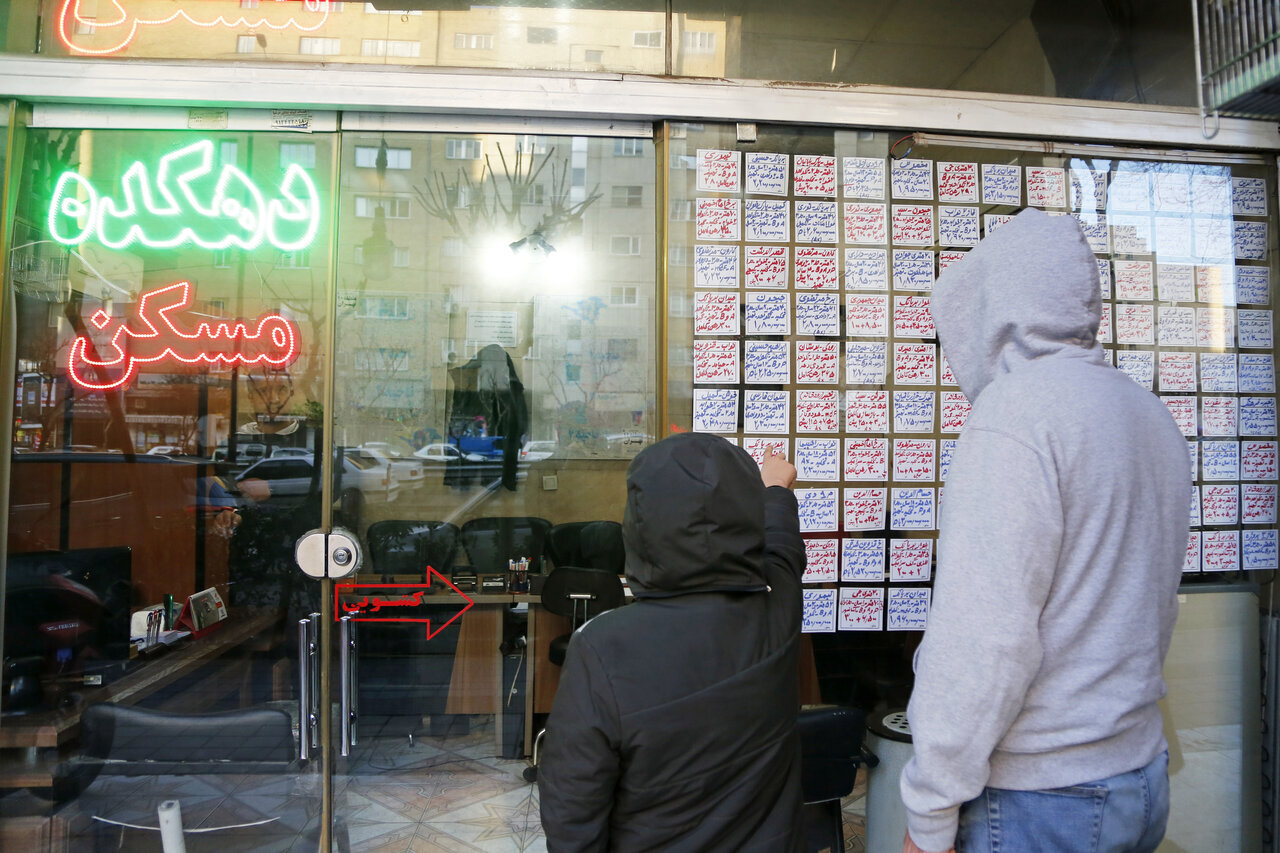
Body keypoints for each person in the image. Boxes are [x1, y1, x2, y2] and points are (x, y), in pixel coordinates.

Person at [901, 208, 1191, 853]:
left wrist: (931, 809)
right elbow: (1153, 604)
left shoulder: (1013, 418)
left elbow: (985, 638)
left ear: (988, 310)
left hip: (1040, 795)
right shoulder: (1146, 411)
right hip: (1138, 772)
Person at [539, 434, 806, 852]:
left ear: (640, 523)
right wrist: (774, 490)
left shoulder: (603, 645)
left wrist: (772, 491)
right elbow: (782, 547)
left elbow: (572, 807)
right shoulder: (778, 608)